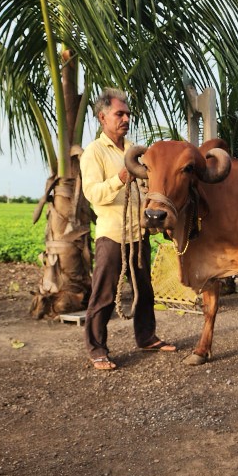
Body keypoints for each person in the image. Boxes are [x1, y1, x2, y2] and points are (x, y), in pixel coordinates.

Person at [80, 88, 176, 370]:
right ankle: (97, 349)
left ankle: (146, 338)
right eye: (119, 114)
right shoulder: (93, 153)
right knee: (105, 294)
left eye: (128, 114)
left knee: (145, 290)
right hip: (112, 234)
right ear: (102, 117)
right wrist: (120, 178)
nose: (125, 118)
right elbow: (93, 194)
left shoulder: (135, 150)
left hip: (139, 232)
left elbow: (146, 188)